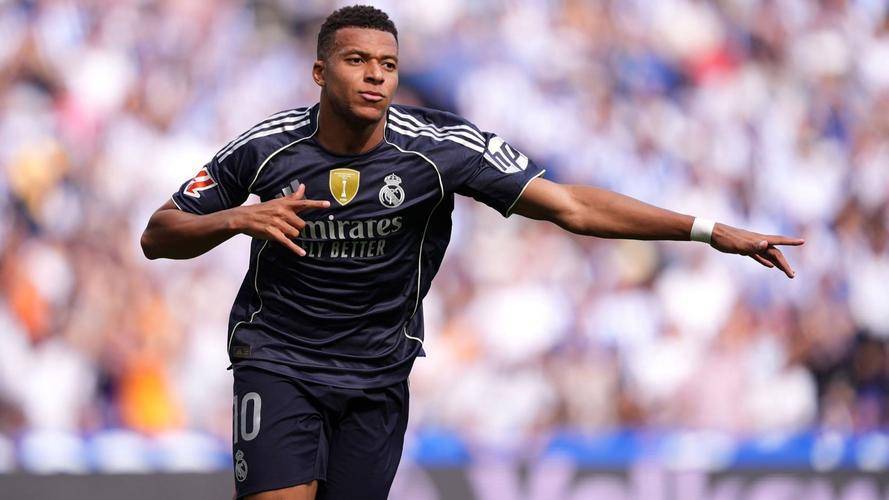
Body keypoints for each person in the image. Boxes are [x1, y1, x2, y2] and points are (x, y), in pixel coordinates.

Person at [140, 5, 804, 500]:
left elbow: (570, 206)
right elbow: (158, 233)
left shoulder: (440, 148)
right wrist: (239, 218)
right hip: (280, 361)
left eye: (387, 65)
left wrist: (707, 229)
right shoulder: (268, 147)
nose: (375, 76)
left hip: (376, 377)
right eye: (356, 61)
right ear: (319, 71)